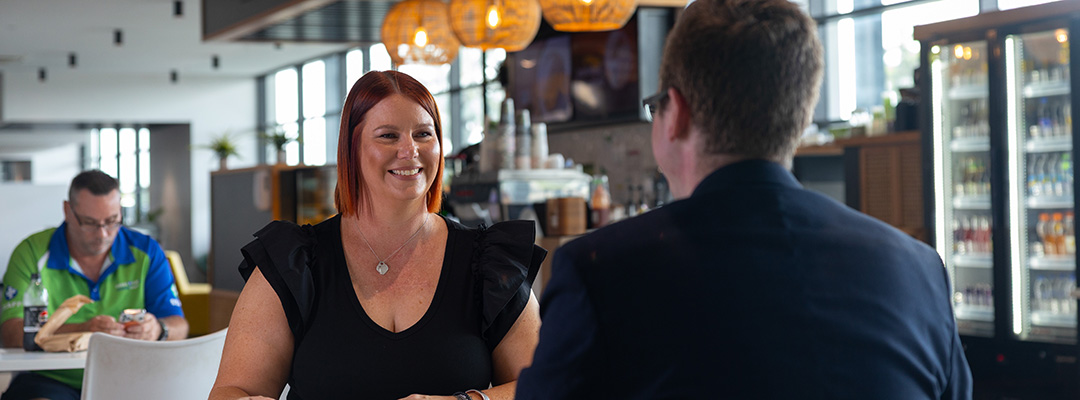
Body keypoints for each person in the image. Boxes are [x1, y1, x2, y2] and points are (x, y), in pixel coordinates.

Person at [516, 0, 972, 398]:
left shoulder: (599, 273)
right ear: (801, 111)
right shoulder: (919, 269)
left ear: (676, 114)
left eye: (656, 107)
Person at [210, 70, 545, 400]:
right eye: (388, 135)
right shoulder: (295, 262)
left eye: (424, 134)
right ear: (352, 149)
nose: (410, 150)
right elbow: (231, 392)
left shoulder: (488, 262)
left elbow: (546, 384)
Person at [1, 170, 189, 400]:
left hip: (131, 379)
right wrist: (85, 331)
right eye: (90, 223)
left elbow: (179, 325)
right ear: (68, 211)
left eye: (112, 221)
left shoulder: (146, 252)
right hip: (50, 379)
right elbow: (10, 331)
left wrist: (158, 329)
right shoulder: (32, 252)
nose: (103, 234)